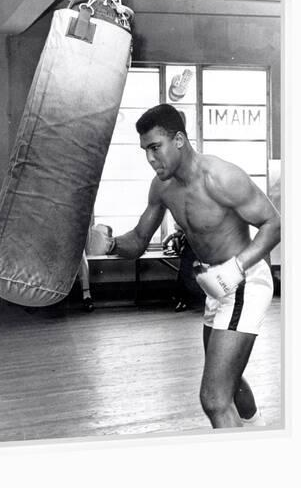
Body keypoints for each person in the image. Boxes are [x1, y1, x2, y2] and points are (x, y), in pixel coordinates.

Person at [97, 103, 281, 429]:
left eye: (156, 147)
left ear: (179, 139)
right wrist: (109, 244)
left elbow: (274, 224)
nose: (151, 159)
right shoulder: (162, 188)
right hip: (215, 285)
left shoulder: (221, 178)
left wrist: (237, 267)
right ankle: (256, 431)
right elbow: (139, 240)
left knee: (213, 398)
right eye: (145, 151)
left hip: (245, 281)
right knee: (230, 380)